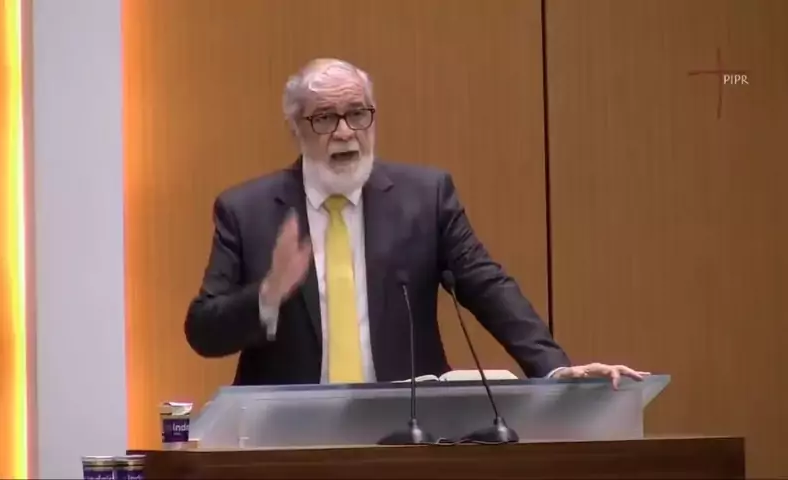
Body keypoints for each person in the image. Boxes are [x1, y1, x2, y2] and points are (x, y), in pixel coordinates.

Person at [185, 58, 648, 388]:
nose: (345, 132)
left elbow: (487, 285)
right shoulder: (247, 211)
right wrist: (267, 295)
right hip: (287, 439)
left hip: (407, 430)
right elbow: (203, 331)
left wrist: (554, 369)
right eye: (324, 118)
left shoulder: (425, 198)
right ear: (295, 127)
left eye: (357, 114)